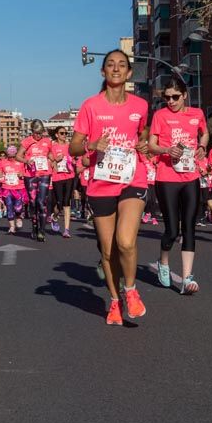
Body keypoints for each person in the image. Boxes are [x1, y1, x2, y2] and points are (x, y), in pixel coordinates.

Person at [71, 49, 151, 323]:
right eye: (110, 65)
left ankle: (130, 290)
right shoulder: (90, 106)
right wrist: (91, 145)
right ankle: (115, 300)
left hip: (133, 178)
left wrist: (143, 144)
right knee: (107, 250)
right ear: (103, 71)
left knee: (125, 241)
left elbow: (143, 134)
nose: (116, 69)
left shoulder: (140, 106)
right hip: (101, 183)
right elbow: (73, 147)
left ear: (129, 73)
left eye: (121, 65)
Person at [148, 76, 207, 293]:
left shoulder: (197, 114)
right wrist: (166, 150)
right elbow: (151, 145)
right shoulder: (160, 115)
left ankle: (187, 277)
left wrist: (202, 145)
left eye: (175, 97)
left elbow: (205, 132)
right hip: (166, 177)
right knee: (172, 231)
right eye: (167, 97)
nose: (170, 101)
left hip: (190, 177)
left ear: (184, 96)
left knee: (189, 226)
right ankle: (163, 261)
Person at [20, 120, 54, 242]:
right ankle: (34, 227)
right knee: (33, 202)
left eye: (40, 133)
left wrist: (55, 159)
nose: (38, 135)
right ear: (32, 131)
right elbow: (19, 156)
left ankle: (42, 231)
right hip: (30, 175)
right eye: (36, 133)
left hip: (45, 173)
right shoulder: (26, 141)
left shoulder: (47, 141)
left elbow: (51, 155)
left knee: (41, 202)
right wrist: (27, 161)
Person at [49, 128, 76, 238]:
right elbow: (51, 163)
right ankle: (54, 216)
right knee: (59, 203)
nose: (64, 135)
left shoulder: (70, 146)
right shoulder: (52, 146)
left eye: (66, 133)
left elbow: (74, 159)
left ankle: (66, 230)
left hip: (69, 176)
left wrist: (73, 162)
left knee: (66, 202)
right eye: (62, 133)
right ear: (56, 135)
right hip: (57, 177)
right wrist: (56, 160)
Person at [0, 146, 27, 234]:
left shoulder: (21, 162)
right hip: (7, 188)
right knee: (9, 206)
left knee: (18, 207)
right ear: (7, 155)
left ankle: (18, 217)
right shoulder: (3, 162)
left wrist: (22, 174)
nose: (12, 158)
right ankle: (12, 226)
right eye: (10, 156)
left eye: (14, 156)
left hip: (19, 188)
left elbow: (26, 172)